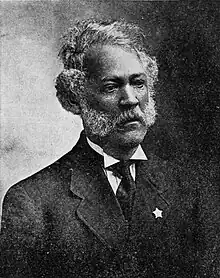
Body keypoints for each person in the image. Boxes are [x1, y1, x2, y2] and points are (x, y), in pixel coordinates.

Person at [0, 18, 219, 278]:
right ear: (75, 99)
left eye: (138, 83)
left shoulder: (192, 188)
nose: (130, 99)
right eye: (111, 87)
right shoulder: (33, 203)